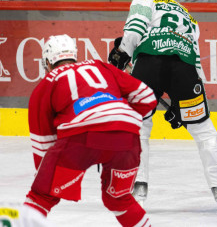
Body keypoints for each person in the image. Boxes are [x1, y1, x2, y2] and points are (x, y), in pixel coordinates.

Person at [108, 0, 217, 213]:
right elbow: (196, 59)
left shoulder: (145, 1)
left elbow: (134, 29)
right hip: (185, 71)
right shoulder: (187, 15)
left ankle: (138, 187)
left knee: (139, 126)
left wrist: (122, 53)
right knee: (204, 131)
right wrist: (186, 102)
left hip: (149, 65)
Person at [24, 34, 157, 227]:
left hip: (79, 137)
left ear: (47, 61)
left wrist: (46, 180)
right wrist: (116, 121)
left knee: (41, 197)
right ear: (74, 55)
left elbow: (43, 141)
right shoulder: (101, 66)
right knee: (119, 199)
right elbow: (146, 97)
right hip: (125, 136)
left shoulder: (46, 84)